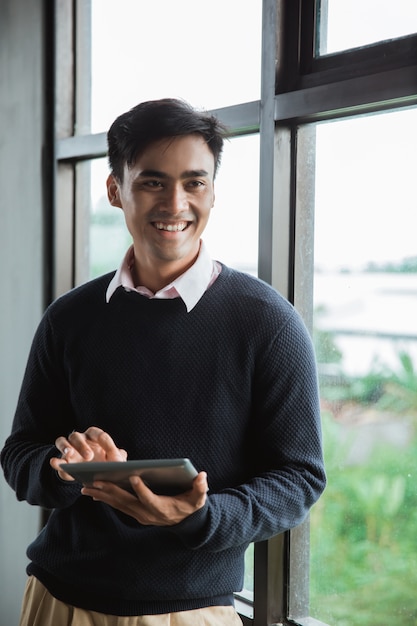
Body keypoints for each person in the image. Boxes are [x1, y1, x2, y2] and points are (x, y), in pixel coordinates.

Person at [1, 98, 326, 626]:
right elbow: (19, 454)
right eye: (152, 182)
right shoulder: (70, 318)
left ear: (213, 193)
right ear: (115, 190)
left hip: (193, 612)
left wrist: (202, 516)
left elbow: (299, 478)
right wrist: (63, 467)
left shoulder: (268, 322)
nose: (175, 203)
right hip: (58, 602)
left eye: (194, 183)